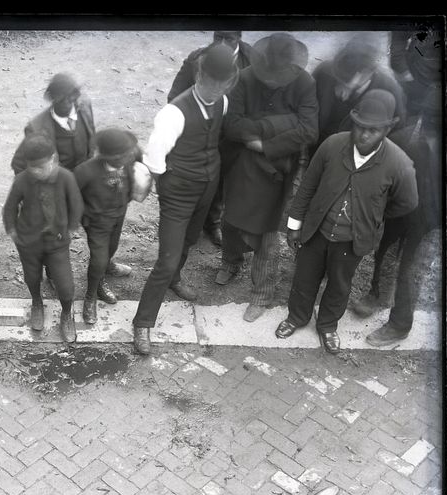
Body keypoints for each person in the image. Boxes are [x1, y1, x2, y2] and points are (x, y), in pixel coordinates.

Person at [275, 90, 418, 355]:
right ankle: (296, 317)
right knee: (305, 278)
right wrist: (294, 225)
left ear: (388, 128)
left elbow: (407, 202)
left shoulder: (399, 164)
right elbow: (307, 186)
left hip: (352, 241)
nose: (364, 135)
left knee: (340, 285)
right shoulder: (332, 145)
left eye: (373, 130)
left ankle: (328, 326)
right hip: (316, 232)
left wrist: (374, 214)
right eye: (360, 127)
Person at [133, 44, 239, 356]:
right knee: (165, 260)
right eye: (212, 83)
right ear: (200, 75)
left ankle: (175, 279)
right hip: (178, 193)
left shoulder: (224, 102)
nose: (217, 90)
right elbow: (154, 161)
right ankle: (142, 322)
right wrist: (171, 190)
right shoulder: (173, 113)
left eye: (224, 84)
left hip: (207, 187)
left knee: (190, 240)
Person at [218, 33, 318, 322]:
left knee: (267, 232)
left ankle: (262, 294)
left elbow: (309, 130)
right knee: (231, 219)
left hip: (280, 164)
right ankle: (231, 261)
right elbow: (233, 125)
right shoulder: (246, 77)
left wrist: (264, 140)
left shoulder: (304, 82)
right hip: (244, 159)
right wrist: (286, 123)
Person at [10, 72, 133, 300]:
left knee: (107, 232)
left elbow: (92, 143)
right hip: (59, 192)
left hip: (89, 184)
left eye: (75, 96)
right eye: (66, 99)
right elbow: (19, 164)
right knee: (58, 237)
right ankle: (53, 273)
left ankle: (104, 265)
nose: (72, 102)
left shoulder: (83, 106)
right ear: (53, 99)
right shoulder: (37, 128)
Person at [360, 27, 442, 346]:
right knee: (385, 248)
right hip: (405, 200)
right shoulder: (407, 135)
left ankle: (399, 324)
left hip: (432, 215)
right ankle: (375, 293)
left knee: (411, 268)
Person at [168, 31, 256, 247]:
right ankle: (189, 223)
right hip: (201, 133)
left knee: (221, 180)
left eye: (230, 39)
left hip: (233, 135)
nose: (223, 44)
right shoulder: (197, 58)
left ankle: (212, 222)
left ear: (240, 38)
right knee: (196, 180)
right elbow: (174, 96)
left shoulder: (253, 60)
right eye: (219, 38)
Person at [3, 135, 84, 342]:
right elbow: (10, 206)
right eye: (33, 168)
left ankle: (67, 313)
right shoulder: (22, 179)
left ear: (54, 159)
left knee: (65, 285)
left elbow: (76, 205)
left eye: (42, 167)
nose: (37, 172)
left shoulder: (66, 178)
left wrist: (71, 229)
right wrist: (12, 231)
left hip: (56, 242)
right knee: (32, 276)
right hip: (28, 242)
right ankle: (37, 302)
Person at [73, 128, 151, 325]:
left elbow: (140, 166)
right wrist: (82, 218)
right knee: (98, 259)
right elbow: (70, 196)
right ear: (108, 156)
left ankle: (108, 266)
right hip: (97, 223)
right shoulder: (86, 171)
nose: (128, 157)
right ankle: (91, 294)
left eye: (128, 153)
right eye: (122, 155)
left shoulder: (129, 160)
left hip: (119, 215)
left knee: (112, 248)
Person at [311, 35, 406, 151]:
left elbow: (397, 131)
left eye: (346, 83)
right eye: (338, 80)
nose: (340, 90)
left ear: (367, 73)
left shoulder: (389, 89)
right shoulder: (324, 71)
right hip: (317, 145)